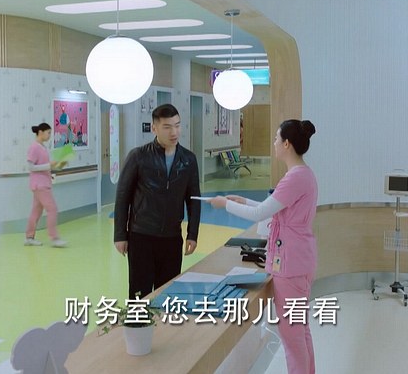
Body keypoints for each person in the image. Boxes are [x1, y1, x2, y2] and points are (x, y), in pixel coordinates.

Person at [210, 119, 318, 374]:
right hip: (299, 259)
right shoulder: (302, 174)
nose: (274, 143)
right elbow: (274, 209)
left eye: (276, 139)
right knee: (300, 331)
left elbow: (260, 214)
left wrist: (225, 204)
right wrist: (242, 200)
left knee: (292, 338)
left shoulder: (295, 178)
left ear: (287, 144)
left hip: (291, 264)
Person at [114, 104, 201, 299]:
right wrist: (120, 234)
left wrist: (193, 234)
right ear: (154, 128)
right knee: (139, 294)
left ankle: (164, 321)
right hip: (141, 235)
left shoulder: (188, 159)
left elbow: (193, 199)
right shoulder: (138, 156)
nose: (174, 132)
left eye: (177, 125)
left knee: (168, 294)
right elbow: (123, 196)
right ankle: (138, 320)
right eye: (167, 127)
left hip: (172, 237)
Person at [25, 122, 68, 248]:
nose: (50, 135)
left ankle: (29, 237)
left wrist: (60, 164)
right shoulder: (34, 147)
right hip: (40, 185)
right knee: (52, 209)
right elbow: (31, 167)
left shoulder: (42, 147)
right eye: (48, 133)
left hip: (42, 183)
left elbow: (46, 167)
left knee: (36, 212)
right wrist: (50, 165)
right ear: (41, 132)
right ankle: (54, 238)